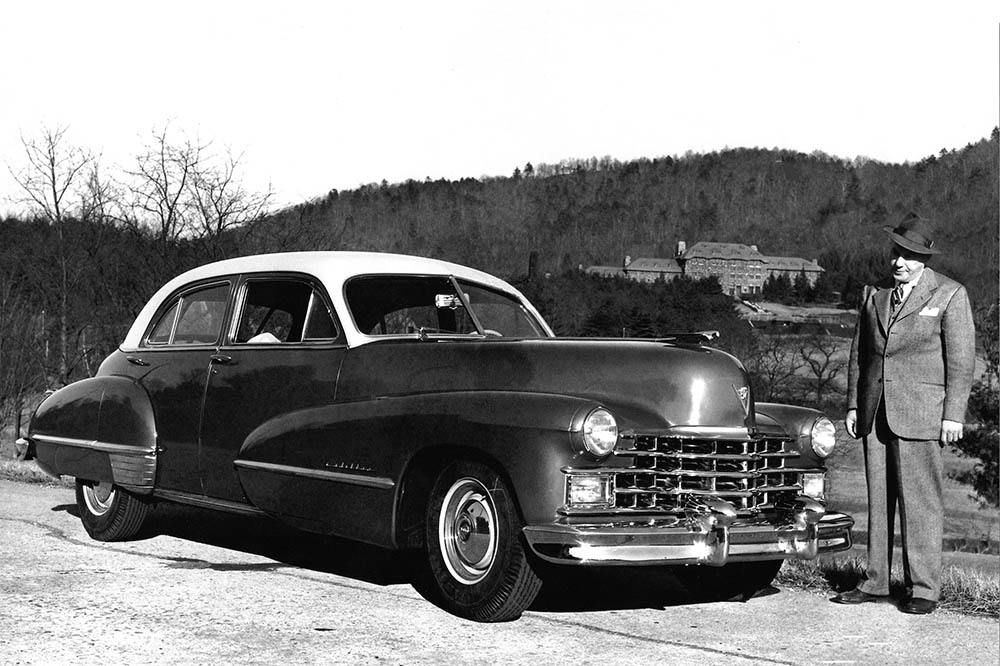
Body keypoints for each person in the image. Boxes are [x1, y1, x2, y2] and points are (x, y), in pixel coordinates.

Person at [832, 212, 976, 615]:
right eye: (898, 252)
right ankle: (876, 581)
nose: (901, 262)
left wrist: (953, 415)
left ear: (926, 260)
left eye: (911, 256)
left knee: (921, 503)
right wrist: (853, 404)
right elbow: (859, 357)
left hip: (922, 415)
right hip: (874, 413)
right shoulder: (873, 295)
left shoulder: (949, 294)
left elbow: (962, 363)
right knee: (879, 501)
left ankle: (924, 588)